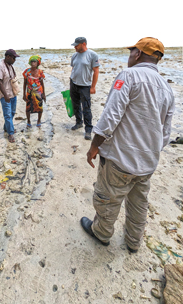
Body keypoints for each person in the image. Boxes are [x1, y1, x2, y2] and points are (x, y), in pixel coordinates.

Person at [81, 37, 175, 253]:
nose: (129, 55)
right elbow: (165, 133)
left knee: (108, 199)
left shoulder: (129, 75)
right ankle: (133, 242)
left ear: (138, 53)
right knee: (138, 203)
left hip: (120, 160)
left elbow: (110, 116)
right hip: (147, 163)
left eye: (131, 51)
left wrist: (95, 145)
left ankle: (101, 234)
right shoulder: (166, 88)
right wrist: (149, 152)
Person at [70, 37, 99, 140]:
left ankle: (88, 130)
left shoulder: (92, 55)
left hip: (85, 86)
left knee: (86, 107)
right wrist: (72, 79)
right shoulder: (74, 55)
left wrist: (93, 87)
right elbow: (73, 68)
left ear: (83, 44)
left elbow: (96, 71)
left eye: (76, 45)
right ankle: (78, 122)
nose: (75, 47)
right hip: (73, 83)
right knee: (75, 104)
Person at [0, 49, 20, 143]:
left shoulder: (10, 66)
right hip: (6, 95)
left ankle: (6, 127)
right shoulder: (0, 67)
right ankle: (10, 133)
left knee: (12, 113)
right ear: (8, 57)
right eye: (13, 58)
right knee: (8, 114)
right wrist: (5, 95)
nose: (14, 60)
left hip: (13, 93)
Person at [23, 55, 46, 128]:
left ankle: (38, 120)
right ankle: (28, 121)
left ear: (38, 63)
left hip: (38, 91)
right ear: (30, 62)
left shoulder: (40, 72)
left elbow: (42, 84)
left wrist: (43, 94)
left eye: (35, 62)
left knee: (39, 107)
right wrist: (23, 94)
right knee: (28, 108)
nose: (33, 63)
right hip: (29, 91)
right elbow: (24, 83)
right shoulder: (27, 72)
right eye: (32, 62)